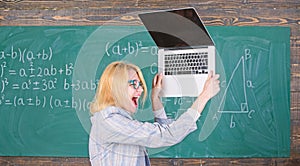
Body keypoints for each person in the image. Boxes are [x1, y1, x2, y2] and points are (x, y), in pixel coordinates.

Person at [89, 61, 220, 166]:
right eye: (133, 84)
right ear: (117, 87)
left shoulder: (117, 120)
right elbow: (167, 135)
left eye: (140, 84)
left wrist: (155, 99)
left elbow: (164, 132)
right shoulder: (110, 121)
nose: (140, 90)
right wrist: (204, 96)